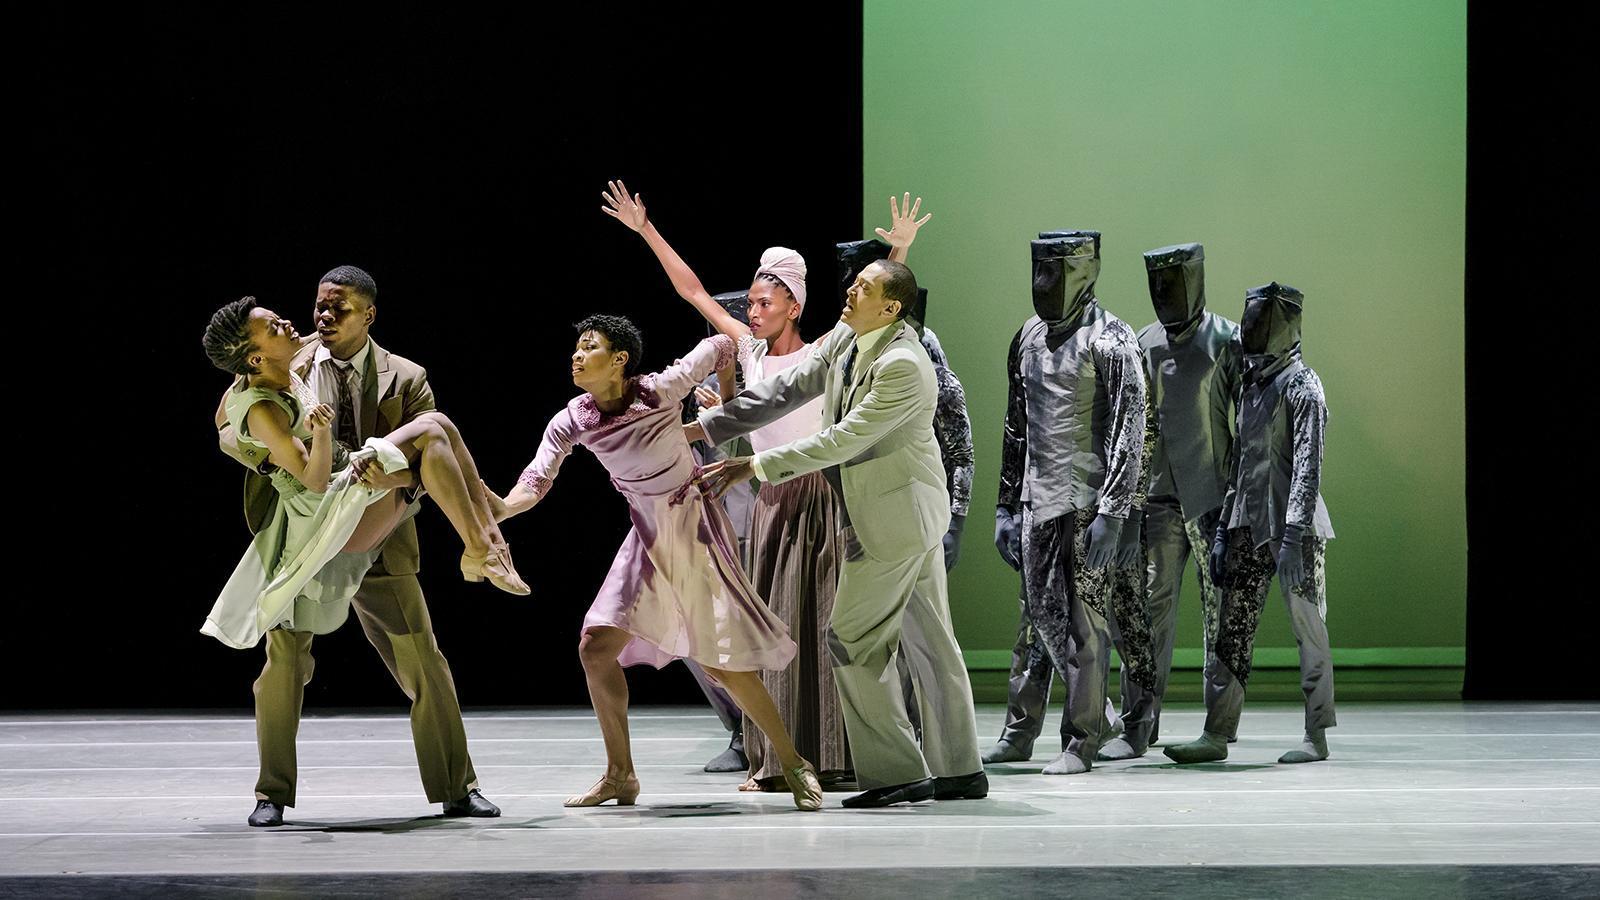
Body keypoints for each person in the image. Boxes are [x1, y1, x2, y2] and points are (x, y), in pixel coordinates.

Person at [601, 182, 929, 792]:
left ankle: (838, 752)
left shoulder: (826, 352)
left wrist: (901, 252)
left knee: (822, 621)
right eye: (749, 302)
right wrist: (646, 230)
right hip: (772, 500)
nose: (752, 311)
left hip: (820, 497)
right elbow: (693, 290)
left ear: (794, 305)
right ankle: (780, 757)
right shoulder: (749, 355)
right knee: (771, 628)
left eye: (763, 301)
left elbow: (878, 302)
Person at [207, 267, 516, 827]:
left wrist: (388, 478)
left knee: (423, 657)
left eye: (339, 308)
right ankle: (270, 793)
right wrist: (278, 462)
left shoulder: (406, 376)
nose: (322, 316)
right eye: (319, 305)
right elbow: (231, 425)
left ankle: (456, 787)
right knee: (285, 663)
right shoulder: (288, 361)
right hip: (308, 534)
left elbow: (429, 467)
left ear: (368, 315)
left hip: (380, 533)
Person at [487, 315, 823, 811]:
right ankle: (620, 775)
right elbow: (536, 480)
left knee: (719, 661)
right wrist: (501, 508)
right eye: (575, 348)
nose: (576, 356)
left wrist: (722, 414)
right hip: (645, 537)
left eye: (589, 347)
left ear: (620, 360)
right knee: (596, 647)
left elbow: (722, 344)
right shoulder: (573, 419)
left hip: (693, 528)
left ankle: (794, 763)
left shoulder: (661, 390)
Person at [693, 258, 986, 809]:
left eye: (864, 287)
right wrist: (707, 425)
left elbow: (844, 439)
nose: (849, 291)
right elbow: (791, 387)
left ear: (892, 307)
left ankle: (897, 771)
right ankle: (960, 770)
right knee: (931, 645)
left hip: (894, 519)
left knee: (850, 639)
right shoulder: (852, 336)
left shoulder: (903, 363)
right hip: (906, 512)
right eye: (853, 283)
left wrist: (753, 466)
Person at [1165, 282, 1337, 765]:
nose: (1252, 330)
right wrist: (1222, 534)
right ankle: (1217, 732)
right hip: (1245, 525)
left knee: (1309, 628)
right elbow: (1241, 462)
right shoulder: (1252, 384)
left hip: (1293, 531)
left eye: (1262, 321)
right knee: (1231, 630)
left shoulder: (1304, 387)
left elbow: (1308, 467)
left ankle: (1316, 733)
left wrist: (1294, 536)